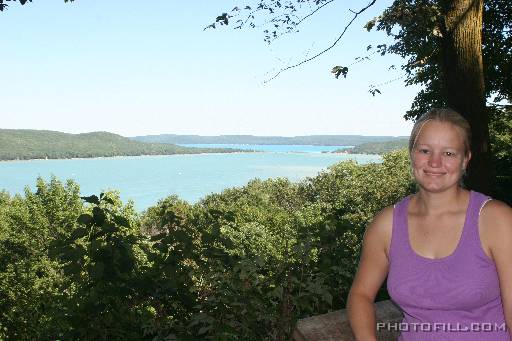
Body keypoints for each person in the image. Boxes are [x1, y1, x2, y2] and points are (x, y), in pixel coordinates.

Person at [346, 108, 512, 340]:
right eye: (425, 150)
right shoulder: (387, 225)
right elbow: (360, 295)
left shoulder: (496, 220)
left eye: (449, 153)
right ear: (412, 154)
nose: (435, 162)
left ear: (466, 159)